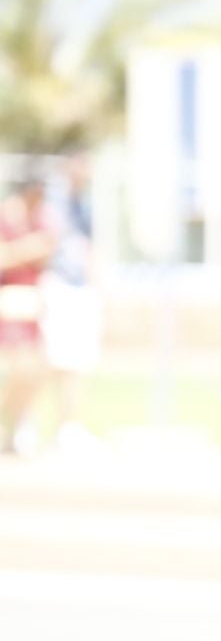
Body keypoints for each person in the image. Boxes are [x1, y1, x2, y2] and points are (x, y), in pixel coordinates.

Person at [42, 153, 103, 452]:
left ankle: (71, 425)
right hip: (59, 283)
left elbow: (89, 247)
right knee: (56, 358)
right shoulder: (55, 201)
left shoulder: (84, 203)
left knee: (79, 360)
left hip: (80, 287)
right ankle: (52, 425)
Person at [0, 177, 56, 455]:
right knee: (18, 368)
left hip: (31, 305)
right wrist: (28, 247)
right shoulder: (6, 219)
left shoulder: (38, 220)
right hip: (9, 304)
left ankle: (16, 428)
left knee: (35, 371)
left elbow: (47, 249)